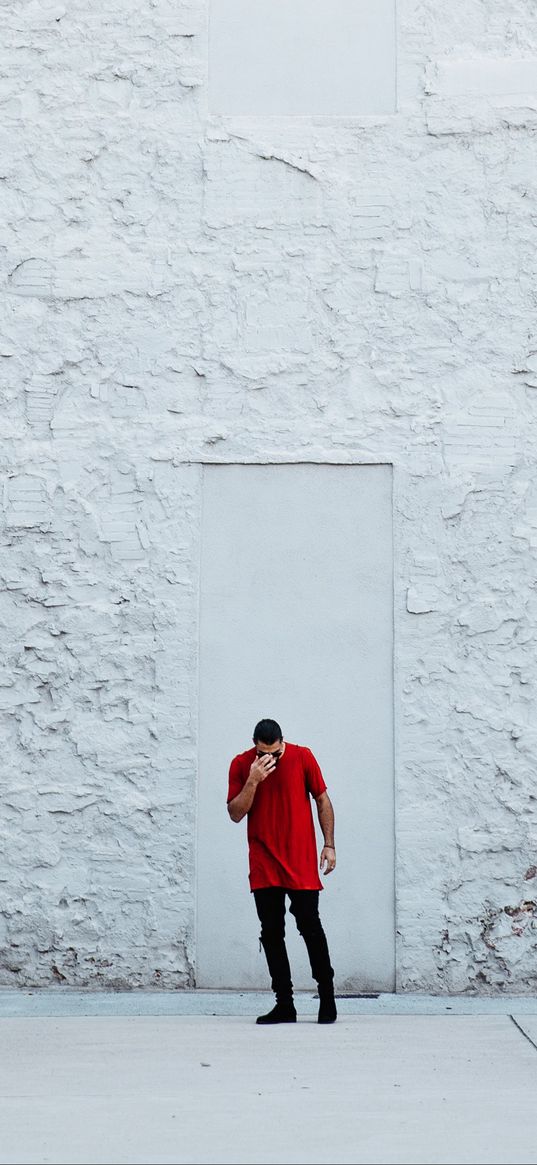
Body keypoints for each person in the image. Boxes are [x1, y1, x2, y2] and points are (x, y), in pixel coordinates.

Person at [227, 717, 337, 1025]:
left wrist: (329, 844)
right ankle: (284, 1004)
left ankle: (327, 998)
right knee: (272, 933)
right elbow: (235, 814)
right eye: (264, 753)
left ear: (282, 743)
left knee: (310, 928)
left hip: (299, 860)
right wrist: (253, 780)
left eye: (275, 753)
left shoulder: (303, 756)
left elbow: (322, 799)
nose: (270, 759)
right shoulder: (241, 765)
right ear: (255, 747)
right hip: (264, 862)